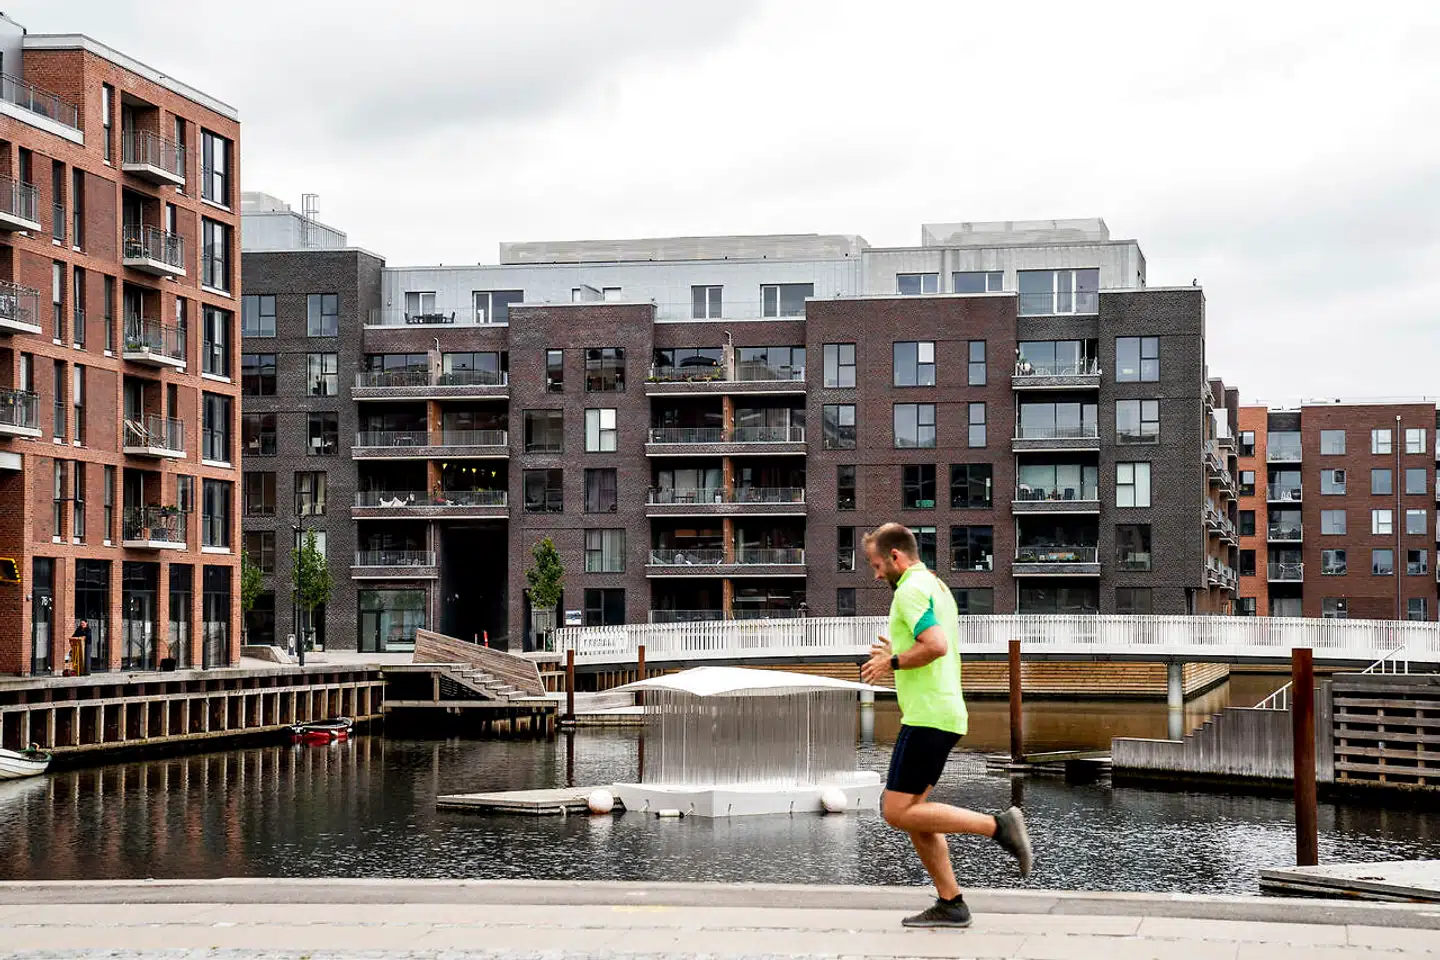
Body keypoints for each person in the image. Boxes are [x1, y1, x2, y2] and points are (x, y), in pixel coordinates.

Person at [860, 522, 1033, 929]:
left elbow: (936, 645)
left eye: (877, 565)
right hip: (941, 712)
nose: (876, 575)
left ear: (896, 557)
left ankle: (999, 826)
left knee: (895, 811)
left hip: (928, 716)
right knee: (915, 814)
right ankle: (951, 902)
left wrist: (893, 661)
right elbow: (931, 640)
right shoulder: (936, 586)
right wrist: (900, 649)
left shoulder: (909, 591)